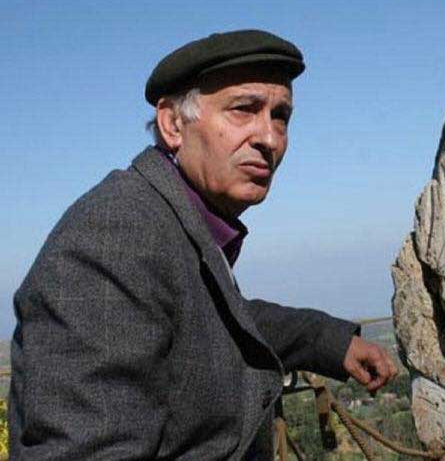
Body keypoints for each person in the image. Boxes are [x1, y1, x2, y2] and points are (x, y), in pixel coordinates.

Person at [9, 29, 398, 459]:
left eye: (280, 116)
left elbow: (213, 319)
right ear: (173, 124)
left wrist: (328, 341)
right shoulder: (114, 234)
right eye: (244, 109)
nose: (269, 138)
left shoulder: (170, 220)